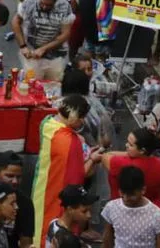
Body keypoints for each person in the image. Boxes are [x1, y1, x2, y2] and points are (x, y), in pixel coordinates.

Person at [34, 95, 101, 246]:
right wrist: (93, 159)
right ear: (74, 116)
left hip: (41, 187)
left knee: (41, 228)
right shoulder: (71, 142)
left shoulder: (47, 123)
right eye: (81, 117)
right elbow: (81, 174)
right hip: (59, 196)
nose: (82, 121)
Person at [12, 0, 75, 80]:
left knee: (54, 86)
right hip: (32, 54)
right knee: (32, 85)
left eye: (49, 5)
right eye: (42, 3)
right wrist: (23, 46)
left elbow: (65, 34)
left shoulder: (64, 7)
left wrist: (43, 49)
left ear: (55, 1)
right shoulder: (30, 2)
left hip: (56, 56)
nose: (44, 7)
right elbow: (15, 22)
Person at [102, 166, 160, 248]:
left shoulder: (157, 216)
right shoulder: (111, 207)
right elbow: (107, 239)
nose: (126, 198)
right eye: (122, 193)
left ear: (143, 190)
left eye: (131, 194)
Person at [103, 129, 160, 209]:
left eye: (131, 145)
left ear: (142, 150)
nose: (126, 145)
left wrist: (127, 154)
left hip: (124, 209)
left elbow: (105, 156)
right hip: (151, 209)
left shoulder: (123, 163)